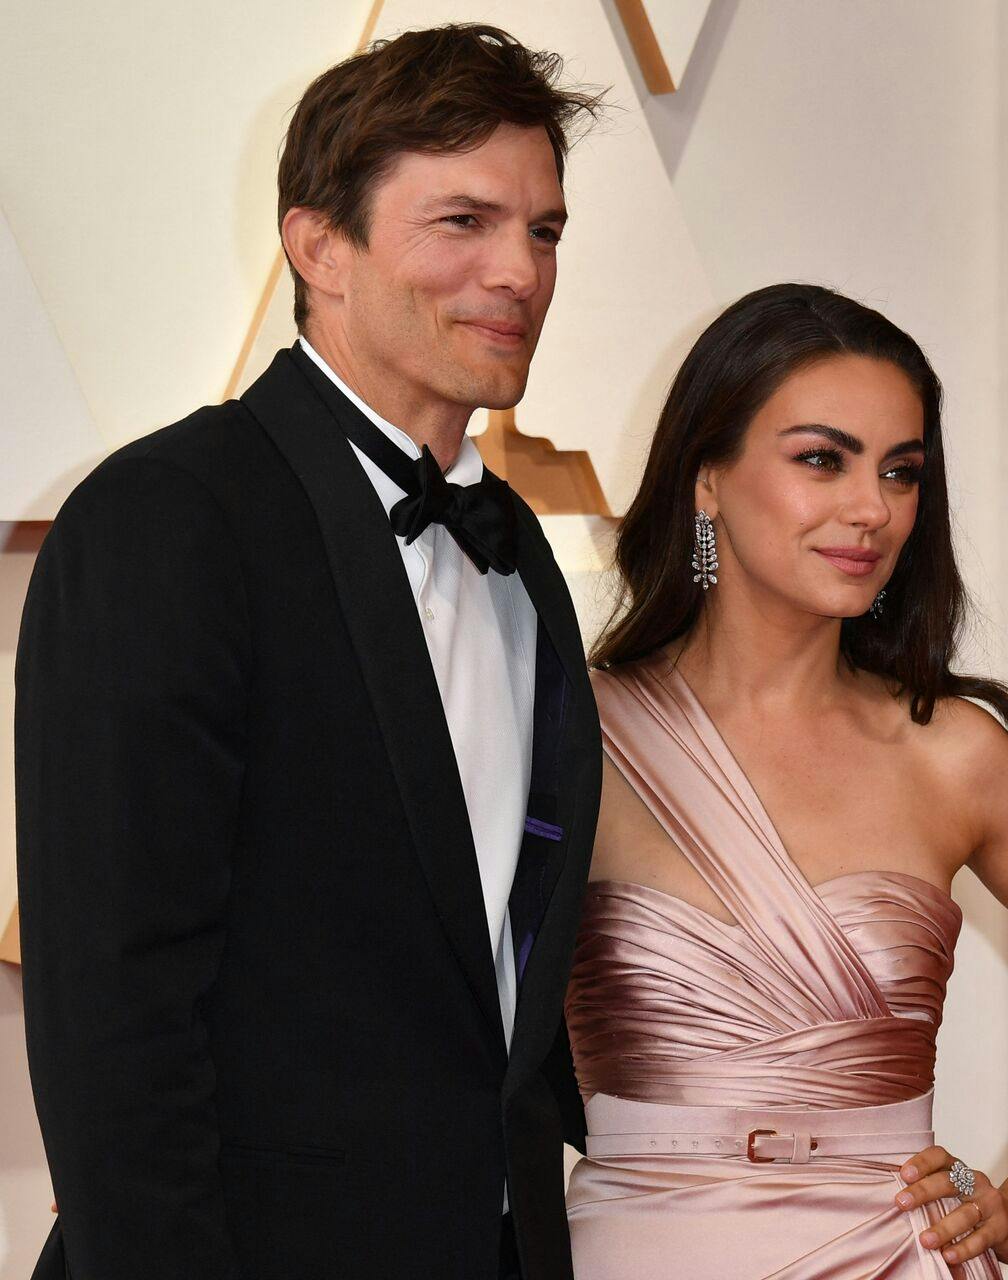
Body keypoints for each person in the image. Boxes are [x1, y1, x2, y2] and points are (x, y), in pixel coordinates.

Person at [16, 25, 601, 1280]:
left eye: (543, 230)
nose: (519, 272)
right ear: (317, 246)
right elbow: (114, 1018)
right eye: (464, 222)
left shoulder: (522, 560)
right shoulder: (168, 516)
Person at [564, 283, 1008, 1276]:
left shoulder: (950, 752)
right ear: (704, 477)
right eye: (821, 458)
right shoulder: (574, 729)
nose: (872, 509)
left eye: (900, 471)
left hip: (889, 1254)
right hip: (639, 1247)